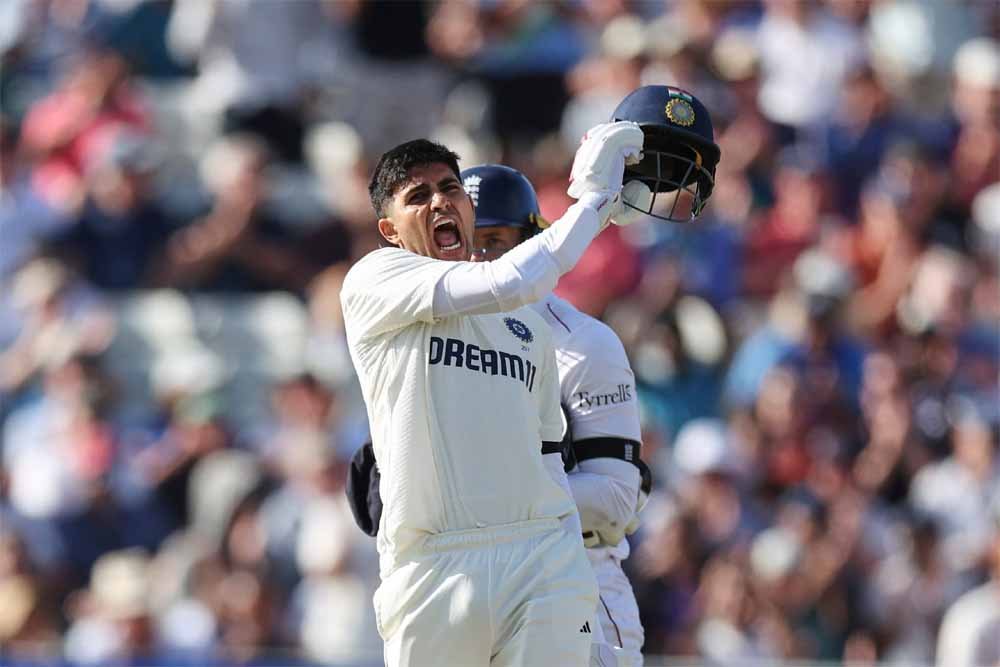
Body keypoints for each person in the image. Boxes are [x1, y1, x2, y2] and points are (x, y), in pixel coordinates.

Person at [347, 85, 722, 666]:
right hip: (438, 566)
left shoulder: (550, 331)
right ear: (389, 230)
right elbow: (508, 283)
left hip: (559, 562)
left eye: (501, 240)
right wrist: (593, 207)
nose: (485, 256)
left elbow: (596, 486)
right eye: (419, 196)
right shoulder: (378, 279)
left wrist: (504, 495)